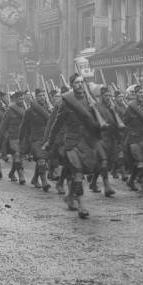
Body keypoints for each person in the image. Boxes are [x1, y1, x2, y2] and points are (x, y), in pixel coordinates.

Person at [44, 74, 102, 219]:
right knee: (77, 172)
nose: (80, 85)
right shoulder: (66, 103)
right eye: (76, 83)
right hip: (71, 142)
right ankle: (81, 205)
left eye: (82, 82)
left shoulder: (89, 101)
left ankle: (70, 195)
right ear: (71, 85)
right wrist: (49, 141)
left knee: (86, 169)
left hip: (86, 142)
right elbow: (56, 125)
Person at [19, 89, 52, 191]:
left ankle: (34, 179)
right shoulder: (29, 111)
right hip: (36, 139)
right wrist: (21, 140)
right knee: (41, 160)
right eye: (40, 96)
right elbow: (24, 126)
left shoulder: (49, 109)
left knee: (42, 160)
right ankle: (44, 182)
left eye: (43, 95)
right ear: (36, 97)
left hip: (46, 138)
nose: (42, 97)